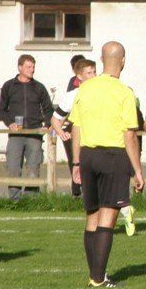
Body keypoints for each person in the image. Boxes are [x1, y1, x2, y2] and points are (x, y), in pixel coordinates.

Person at [69, 41, 145, 288]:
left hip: (87, 155)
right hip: (113, 156)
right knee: (108, 216)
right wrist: (138, 170)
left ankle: (95, 275)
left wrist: (76, 162)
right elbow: (129, 135)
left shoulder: (85, 88)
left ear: (101, 60)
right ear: (123, 61)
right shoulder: (124, 92)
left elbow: (76, 126)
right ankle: (98, 278)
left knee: (92, 215)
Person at [0, 54, 53, 200]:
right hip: (15, 134)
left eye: (33, 67)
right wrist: (10, 123)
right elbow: (2, 109)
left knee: (34, 167)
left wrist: (47, 125)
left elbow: (48, 109)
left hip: (34, 133)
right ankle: (14, 200)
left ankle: (31, 200)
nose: (32, 70)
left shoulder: (39, 87)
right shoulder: (9, 86)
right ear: (20, 67)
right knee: (13, 167)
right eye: (28, 67)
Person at [51, 58, 97, 197]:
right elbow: (55, 119)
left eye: (94, 72)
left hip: (98, 139)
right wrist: (61, 132)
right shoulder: (73, 95)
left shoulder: (101, 91)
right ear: (79, 76)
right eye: (89, 73)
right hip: (80, 141)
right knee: (81, 173)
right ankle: (78, 197)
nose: (93, 76)